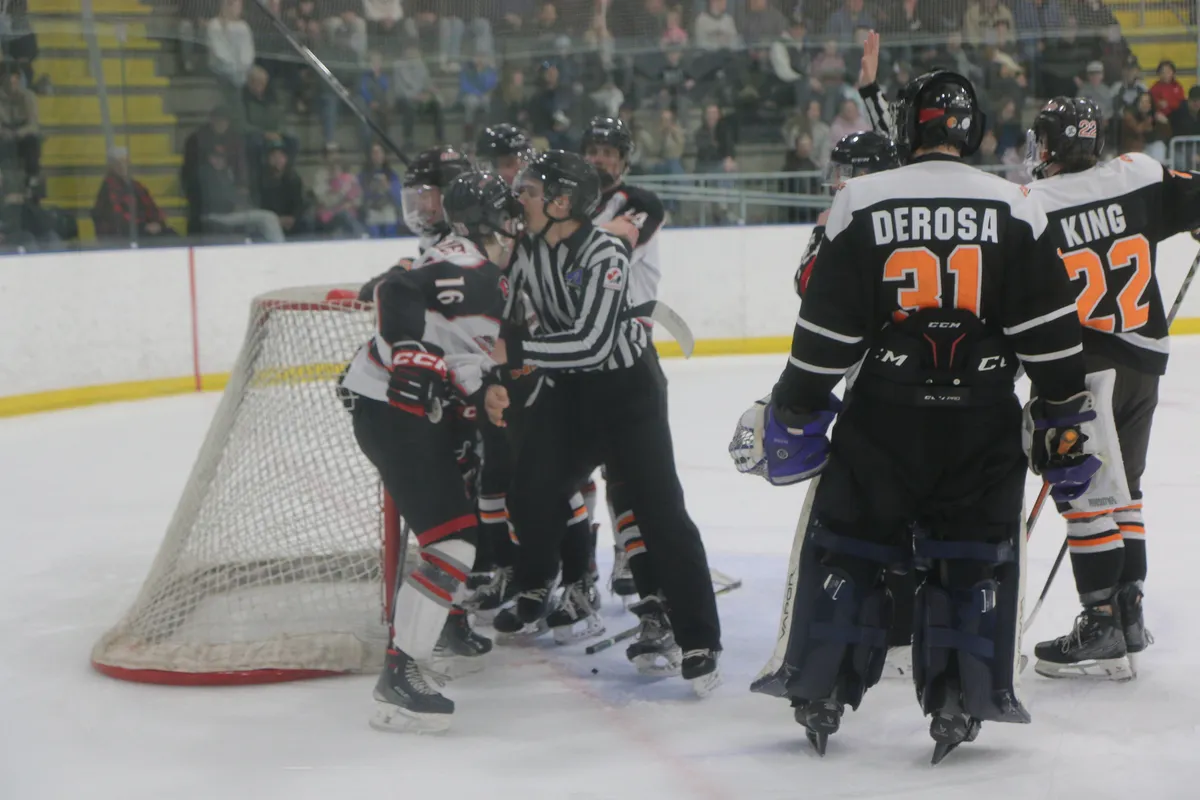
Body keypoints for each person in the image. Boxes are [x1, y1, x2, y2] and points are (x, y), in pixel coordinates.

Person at [735, 69, 1104, 762]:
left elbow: (827, 336)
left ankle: (820, 684)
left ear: (911, 128)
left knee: (851, 542)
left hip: (884, 419)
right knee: (974, 556)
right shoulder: (1017, 205)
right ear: (972, 130)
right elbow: (1052, 332)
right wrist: (1062, 412)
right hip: (982, 418)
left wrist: (799, 401)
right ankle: (965, 694)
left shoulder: (862, 199)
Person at [483, 150, 723, 696]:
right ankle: (538, 582)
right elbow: (496, 302)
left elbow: (591, 343)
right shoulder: (528, 250)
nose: (522, 196)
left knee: (658, 508)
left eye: (532, 190)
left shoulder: (604, 252)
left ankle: (699, 639)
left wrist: (517, 349)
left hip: (627, 393)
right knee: (530, 485)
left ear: (563, 202)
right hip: (571, 391)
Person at [1024, 97, 1200, 680]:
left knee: (1086, 494)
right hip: (1145, 363)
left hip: (1084, 369)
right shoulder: (1140, 174)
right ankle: (1129, 611)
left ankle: (1099, 620)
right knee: (1127, 491)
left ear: (1049, 147)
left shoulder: (1033, 206)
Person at [339, 171, 521, 733]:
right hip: (395, 413)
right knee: (453, 542)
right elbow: (395, 290)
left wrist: (482, 387)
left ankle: (413, 654)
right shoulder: (471, 265)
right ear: (492, 220)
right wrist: (411, 351)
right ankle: (401, 668)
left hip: (401, 410)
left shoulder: (474, 265)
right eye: (509, 217)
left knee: (452, 540)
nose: (516, 228)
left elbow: (460, 348)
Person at [577, 116, 683, 672]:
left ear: (624, 160)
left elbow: (602, 253)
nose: (599, 160)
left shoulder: (636, 203)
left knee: (639, 489)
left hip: (628, 363)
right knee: (567, 480)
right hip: (577, 367)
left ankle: (657, 611)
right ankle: (574, 579)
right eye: (591, 150)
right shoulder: (572, 210)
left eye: (608, 152)